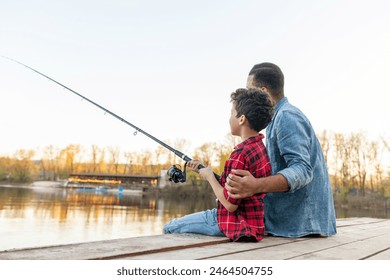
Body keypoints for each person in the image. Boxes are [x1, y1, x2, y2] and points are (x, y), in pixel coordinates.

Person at [225, 63, 337, 237]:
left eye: (249, 89)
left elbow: (302, 170)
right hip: (296, 223)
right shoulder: (276, 119)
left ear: (263, 91)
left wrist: (255, 186)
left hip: (300, 225)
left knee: (179, 226)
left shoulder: (286, 116)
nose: (246, 95)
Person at [163, 88, 274, 241]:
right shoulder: (260, 148)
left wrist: (209, 177)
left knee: (170, 227)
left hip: (231, 222)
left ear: (242, 119)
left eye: (231, 113)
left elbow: (230, 204)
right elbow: (236, 188)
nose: (229, 118)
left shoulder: (239, 154)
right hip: (254, 224)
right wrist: (204, 170)